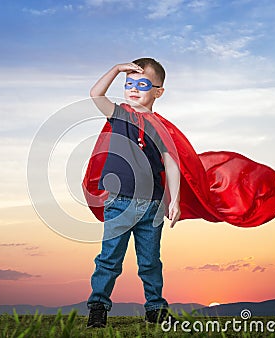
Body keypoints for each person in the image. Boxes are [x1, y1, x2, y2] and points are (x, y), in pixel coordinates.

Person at [86, 58, 179, 328]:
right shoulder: (119, 114)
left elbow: (171, 162)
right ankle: (98, 306)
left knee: (150, 261)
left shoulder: (162, 126)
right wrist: (116, 69)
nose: (133, 88)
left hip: (153, 205)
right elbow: (95, 94)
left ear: (158, 91)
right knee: (109, 258)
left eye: (142, 84)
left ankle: (156, 309)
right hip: (120, 201)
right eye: (129, 83)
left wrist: (176, 200)